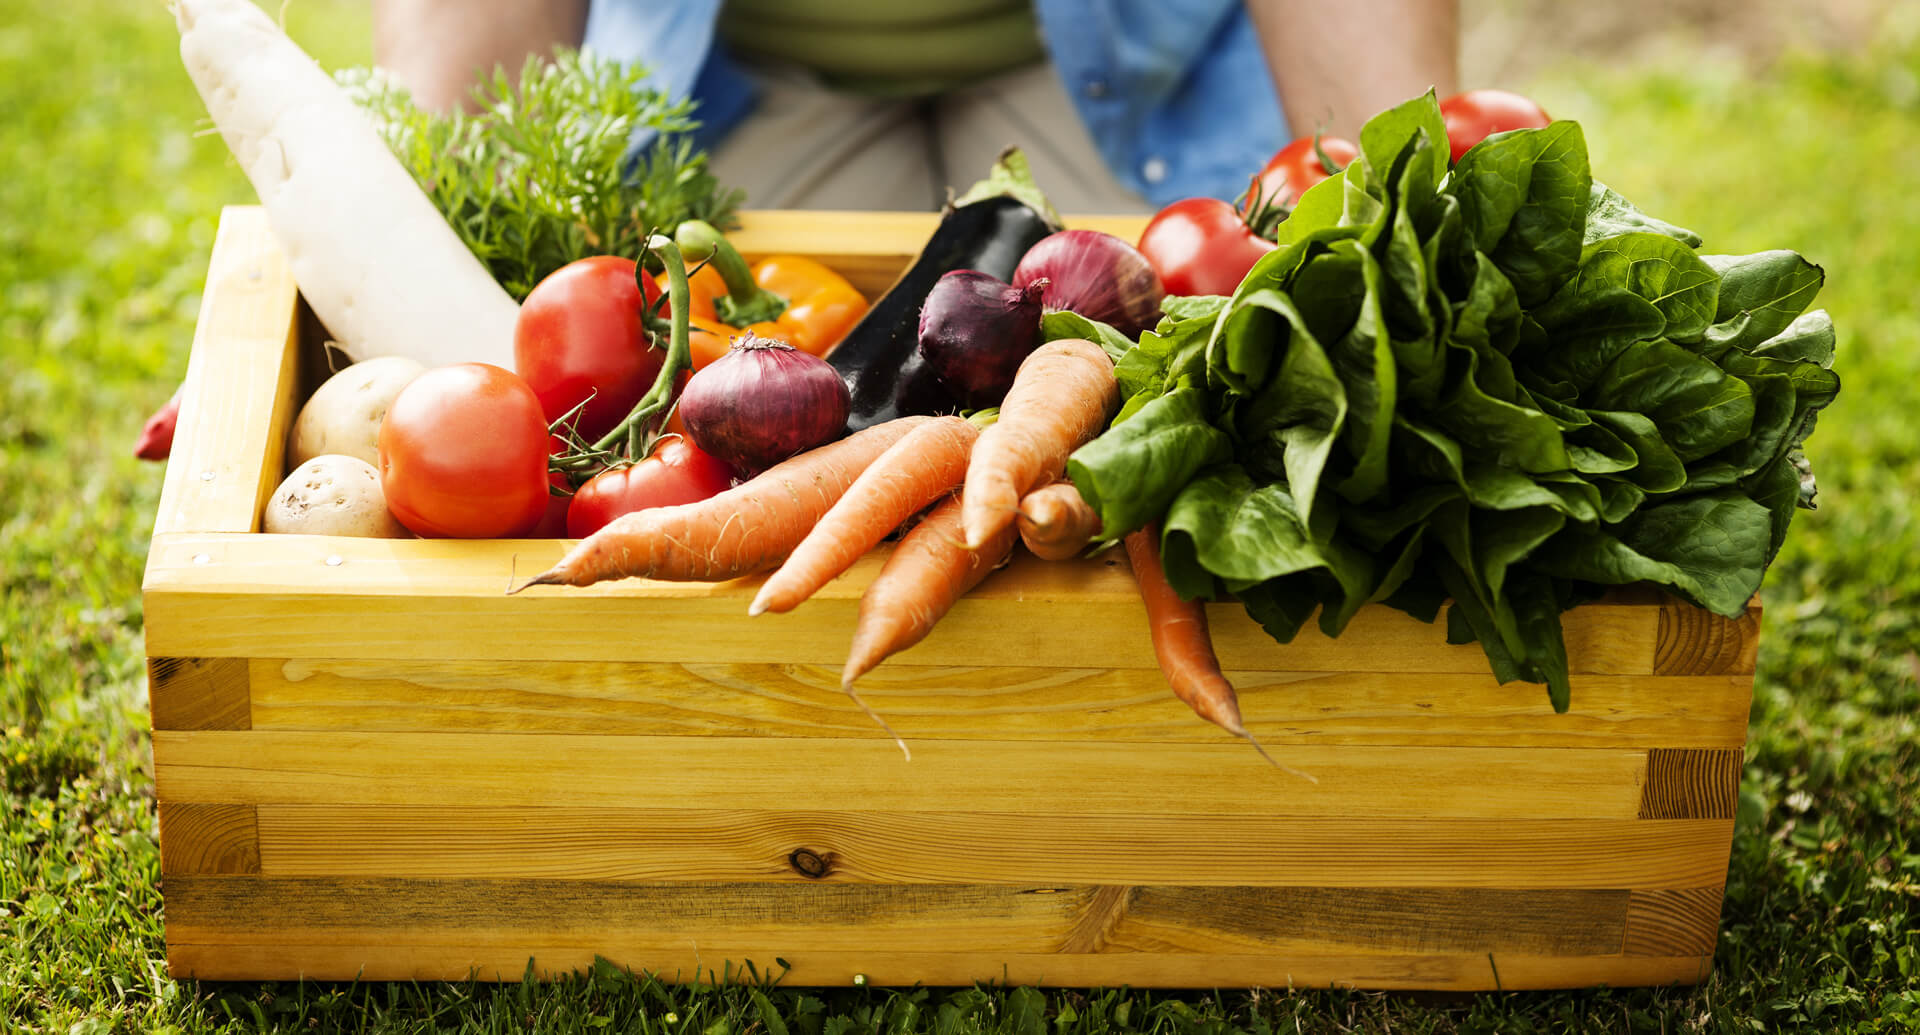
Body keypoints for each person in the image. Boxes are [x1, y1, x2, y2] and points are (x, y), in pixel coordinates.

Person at [380, 1, 1459, 214]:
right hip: (748, 61)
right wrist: (433, 225)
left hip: (1132, 58)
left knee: (1224, 379)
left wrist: (1405, 206)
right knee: (738, 399)